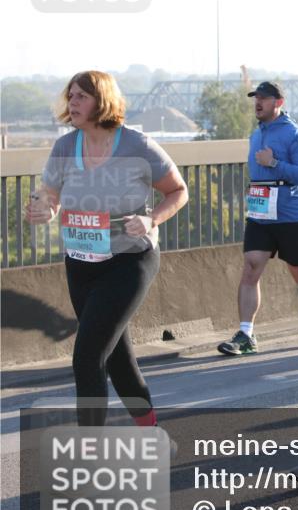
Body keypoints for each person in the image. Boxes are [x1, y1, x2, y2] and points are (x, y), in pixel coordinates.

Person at [25, 70, 188, 427]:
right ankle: (151, 434)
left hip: (129, 262)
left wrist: (151, 220)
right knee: (117, 358)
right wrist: (42, 208)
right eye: (71, 96)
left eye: (82, 96)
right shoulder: (66, 147)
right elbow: (50, 196)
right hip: (81, 263)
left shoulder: (136, 145)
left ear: (103, 101)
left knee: (87, 357)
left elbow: (177, 191)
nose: (73, 103)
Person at [217, 81, 298, 356]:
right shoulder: (255, 134)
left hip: (291, 215)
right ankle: (246, 334)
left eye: (264, 98)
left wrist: (274, 164)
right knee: (251, 267)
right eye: (256, 97)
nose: (258, 102)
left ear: (279, 103)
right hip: (260, 213)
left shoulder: (294, 134)